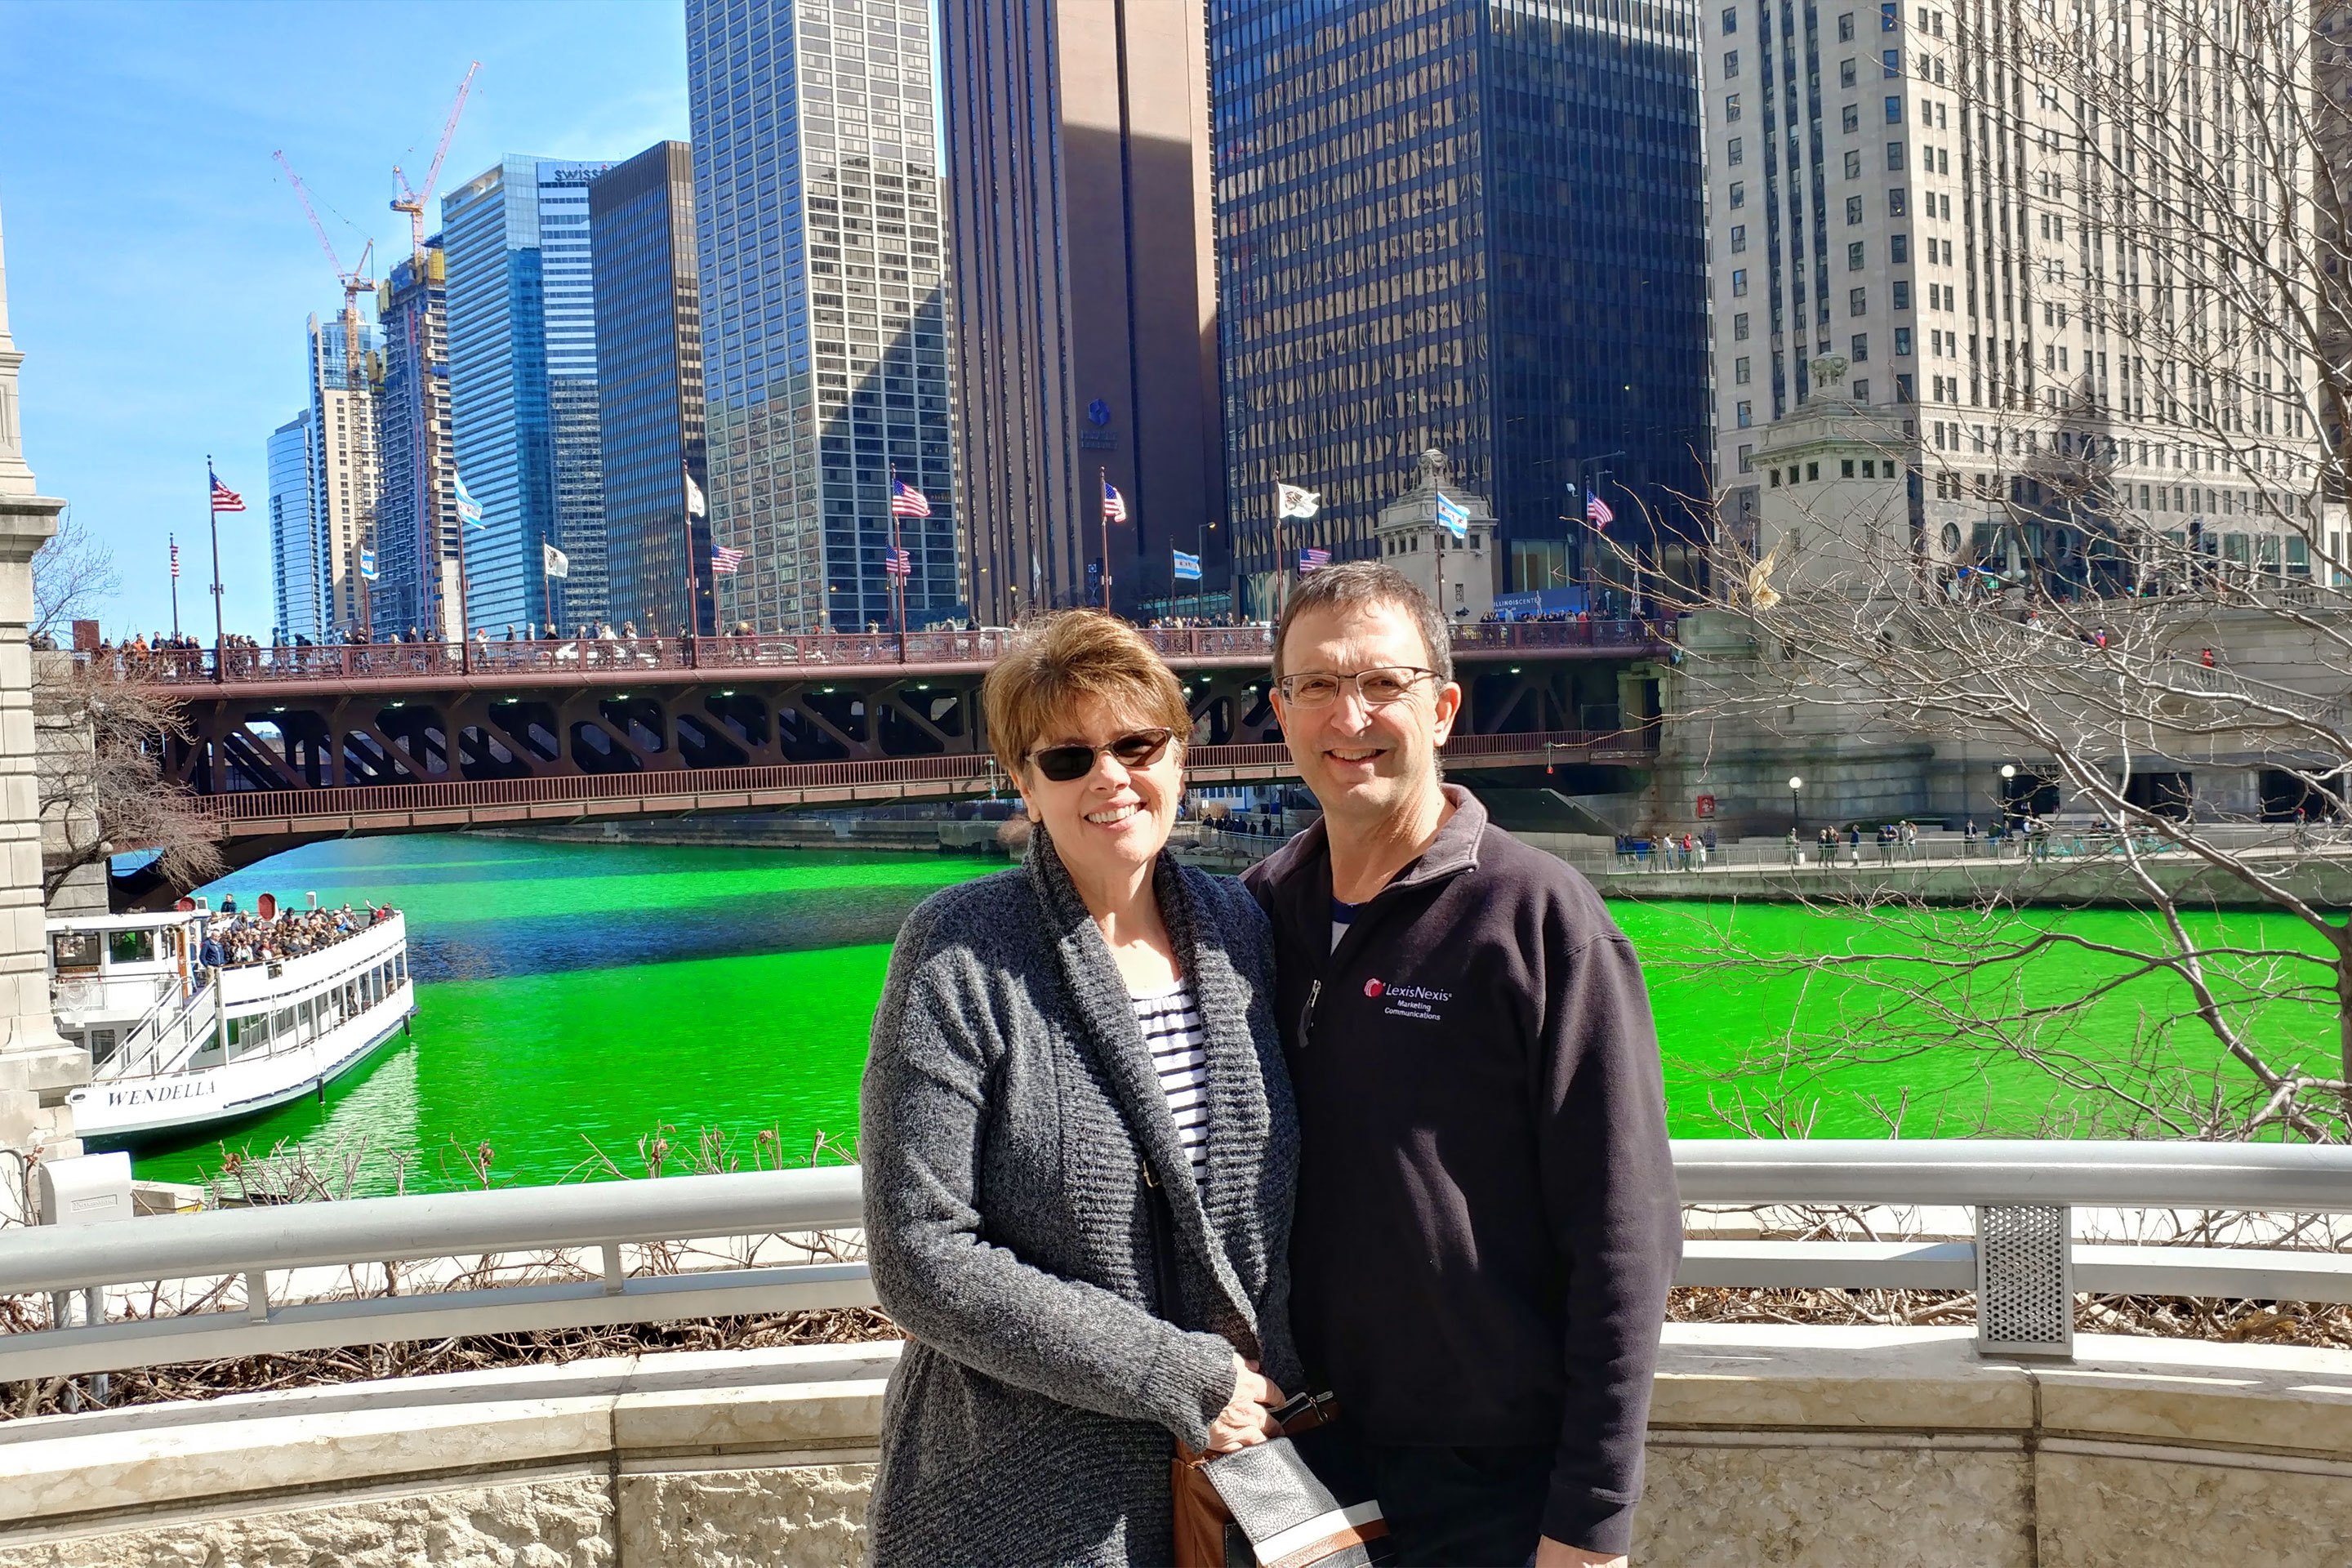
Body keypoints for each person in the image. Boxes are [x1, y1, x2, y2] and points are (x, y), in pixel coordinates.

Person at [1242, 563, 1679, 1567]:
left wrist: (1592, 1519)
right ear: (1282, 711)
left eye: (1381, 684)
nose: (1349, 716)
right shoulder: (1257, 913)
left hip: (1493, 1479)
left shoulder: (1539, 919)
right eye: (1316, 686)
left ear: (1441, 707)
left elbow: (1625, 1231)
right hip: (1297, 1458)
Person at [861, 610, 1302, 1565]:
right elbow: (918, 1256)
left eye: (1137, 743)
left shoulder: (1245, 932)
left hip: (1245, 1488)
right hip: (1021, 1501)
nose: (1109, 776)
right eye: (1067, 759)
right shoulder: (960, 951)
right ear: (1023, 781)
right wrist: (1180, 1376)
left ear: (1180, 757)